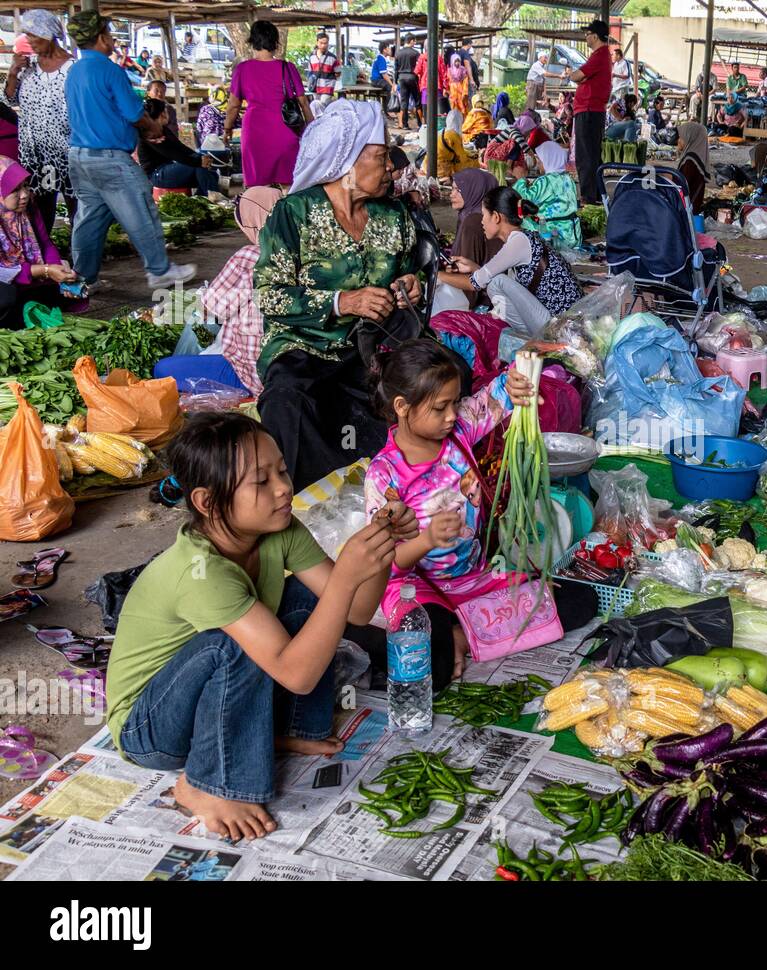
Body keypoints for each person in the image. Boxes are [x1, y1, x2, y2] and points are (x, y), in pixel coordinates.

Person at [105, 410, 418, 840]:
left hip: (208, 702)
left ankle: (286, 730)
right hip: (151, 728)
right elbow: (298, 674)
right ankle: (202, 784)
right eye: (262, 481)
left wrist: (382, 546)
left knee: (312, 599)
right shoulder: (201, 571)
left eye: (282, 471)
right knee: (229, 644)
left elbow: (357, 612)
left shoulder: (280, 530)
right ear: (206, 501)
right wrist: (347, 572)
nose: (285, 487)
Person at [254, 99, 419, 492]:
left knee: (429, 388)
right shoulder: (295, 214)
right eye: (381, 157)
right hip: (303, 348)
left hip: (372, 347)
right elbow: (269, 295)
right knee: (288, 402)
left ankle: (401, 492)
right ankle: (307, 511)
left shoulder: (393, 215)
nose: (391, 167)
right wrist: (341, 301)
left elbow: (414, 271)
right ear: (348, 161)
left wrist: (412, 284)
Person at [365, 341, 537, 684]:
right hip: (417, 587)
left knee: (573, 600)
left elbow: (497, 395)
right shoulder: (384, 476)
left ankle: (464, 627)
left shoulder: (459, 432)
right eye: (441, 407)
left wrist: (520, 373)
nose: (452, 415)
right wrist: (428, 539)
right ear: (402, 407)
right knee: (434, 664)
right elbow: (388, 562)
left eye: (456, 403)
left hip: (474, 579)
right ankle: (463, 629)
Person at [63, 11, 192, 291]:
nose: (111, 40)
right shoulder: (110, 70)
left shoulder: (74, 71)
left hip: (80, 157)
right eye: (109, 34)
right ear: (101, 38)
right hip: (109, 158)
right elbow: (134, 113)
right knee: (141, 206)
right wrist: (152, 130)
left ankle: (82, 279)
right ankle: (159, 270)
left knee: (90, 219)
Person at [438, 185, 583, 335]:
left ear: (496, 217)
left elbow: (474, 284)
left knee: (497, 282)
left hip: (559, 327)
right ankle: (522, 335)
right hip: (561, 321)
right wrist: (474, 268)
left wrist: (438, 276)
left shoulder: (518, 242)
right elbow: (484, 276)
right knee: (496, 280)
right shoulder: (523, 238)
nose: (482, 221)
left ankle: (524, 337)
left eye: (484, 215)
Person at [204, 186, 285, 397]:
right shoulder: (309, 253)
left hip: (253, 375)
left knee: (164, 368)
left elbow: (212, 309)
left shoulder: (249, 256)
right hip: (294, 371)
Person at [3, 11, 76, 234]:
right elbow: (9, 99)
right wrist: (13, 73)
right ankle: (46, 263)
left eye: (34, 35)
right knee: (40, 215)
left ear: (49, 34)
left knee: (77, 211)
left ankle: (81, 263)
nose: (30, 41)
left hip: (68, 154)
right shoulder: (28, 67)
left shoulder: (73, 69)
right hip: (35, 156)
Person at [227, 21, 313, 189]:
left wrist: (227, 128)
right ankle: (287, 215)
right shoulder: (288, 68)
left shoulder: (243, 69)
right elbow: (303, 102)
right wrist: (311, 126)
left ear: (252, 41)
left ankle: (260, 215)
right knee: (289, 187)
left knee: (257, 188)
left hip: (254, 133)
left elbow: (233, 105)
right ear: (275, 42)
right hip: (286, 131)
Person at [0, 157, 83, 330]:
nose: (24, 195)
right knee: (7, 297)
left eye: (25, 186)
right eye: (15, 190)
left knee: (69, 280)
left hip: (23, 272)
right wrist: (46, 270)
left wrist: (58, 269)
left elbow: (44, 243)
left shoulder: (29, 207)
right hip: (5, 278)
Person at [564, 20, 612, 207]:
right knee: (592, 154)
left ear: (594, 35)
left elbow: (576, 76)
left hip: (589, 110)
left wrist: (575, 76)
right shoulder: (601, 56)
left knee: (586, 156)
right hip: (592, 110)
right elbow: (581, 78)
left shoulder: (599, 56)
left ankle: (588, 198)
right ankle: (596, 195)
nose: (585, 37)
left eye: (587, 34)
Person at [139, 95, 221, 200]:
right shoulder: (149, 133)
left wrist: (198, 156)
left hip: (168, 168)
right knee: (200, 166)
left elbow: (180, 148)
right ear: (162, 114)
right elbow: (173, 153)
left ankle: (202, 200)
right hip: (157, 175)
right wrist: (198, 161)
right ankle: (213, 200)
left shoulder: (163, 129)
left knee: (210, 173)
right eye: (165, 111)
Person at [515, 140, 580, 249]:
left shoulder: (544, 181)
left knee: (521, 219)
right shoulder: (568, 179)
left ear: (549, 160)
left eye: (540, 161)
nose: (539, 164)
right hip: (572, 234)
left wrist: (520, 180)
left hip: (553, 235)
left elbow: (525, 198)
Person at [449, 168, 502, 266]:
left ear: (476, 191)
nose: (452, 194)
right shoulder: (467, 214)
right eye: (452, 189)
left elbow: (467, 274)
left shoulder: (473, 222)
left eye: (458, 190)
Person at [676, 120, 710, 214]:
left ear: (689, 138)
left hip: (686, 212)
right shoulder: (697, 157)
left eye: (681, 137)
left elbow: (680, 186)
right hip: (692, 208)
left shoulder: (690, 162)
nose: (678, 140)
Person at [394, 34, 421, 130]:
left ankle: (405, 124)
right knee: (417, 100)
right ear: (411, 41)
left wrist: (395, 82)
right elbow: (419, 67)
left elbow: (395, 69)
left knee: (404, 101)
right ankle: (420, 123)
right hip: (412, 77)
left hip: (401, 78)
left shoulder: (398, 53)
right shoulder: (416, 53)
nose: (415, 43)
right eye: (414, 41)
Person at [306, 32, 340, 108]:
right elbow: (310, 72)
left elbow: (338, 73)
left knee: (323, 105)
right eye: (321, 43)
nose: (323, 45)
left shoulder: (333, 58)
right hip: (315, 87)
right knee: (316, 107)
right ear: (317, 42)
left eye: (326, 43)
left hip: (327, 88)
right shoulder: (312, 57)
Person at [371, 41, 394, 111]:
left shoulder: (380, 57)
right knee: (389, 86)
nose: (390, 50)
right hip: (376, 81)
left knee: (390, 84)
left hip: (377, 80)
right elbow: (384, 75)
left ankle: (386, 110)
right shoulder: (381, 58)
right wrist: (392, 85)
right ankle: (390, 109)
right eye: (389, 48)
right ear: (384, 50)